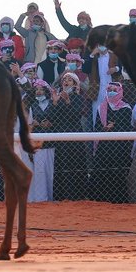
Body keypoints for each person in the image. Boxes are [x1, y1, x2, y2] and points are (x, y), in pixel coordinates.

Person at [90, 82, 133, 203]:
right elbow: (97, 127)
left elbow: (126, 127)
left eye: (115, 90)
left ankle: (118, 200)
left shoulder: (126, 108)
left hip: (119, 147)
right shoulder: (101, 107)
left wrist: (115, 126)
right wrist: (105, 128)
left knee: (117, 174)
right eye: (110, 90)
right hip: (104, 147)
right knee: (101, 173)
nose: (112, 92)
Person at [51, 72, 87, 201]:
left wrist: (67, 102)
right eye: (64, 79)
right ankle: (61, 196)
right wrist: (55, 103)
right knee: (61, 165)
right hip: (60, 136)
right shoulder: (58, 97)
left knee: (74, 165)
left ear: (75, 83)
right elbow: (53, 118)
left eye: (70, 80)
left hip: (74, 136)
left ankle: (75, 196)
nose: (66, 81)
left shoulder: (78, 98)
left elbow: (76, 116)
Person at [23, 79, 55, 202]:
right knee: (38, 172)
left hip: (50, 143)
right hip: (37, 143)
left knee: (49, 173)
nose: (39, 92)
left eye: (41, 89)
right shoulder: (32, 106)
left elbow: (57, 121)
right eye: (37, 90)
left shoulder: (53, 104)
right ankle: (39, 199)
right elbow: (28, 126)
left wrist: (50, 124)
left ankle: (48, 198)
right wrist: (35, 124)